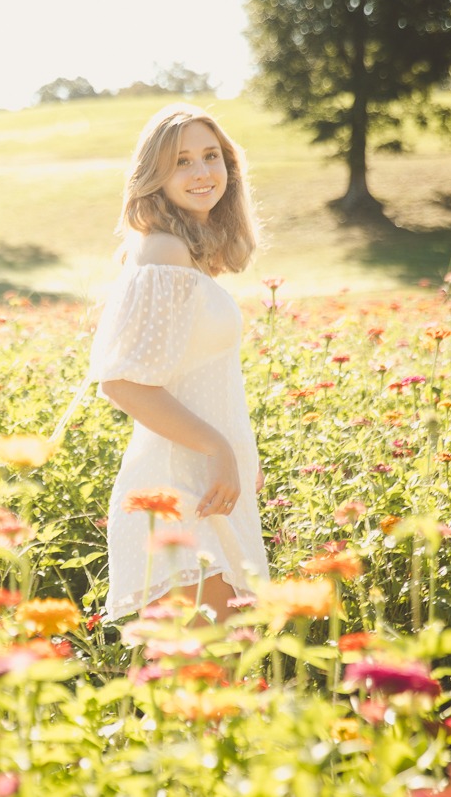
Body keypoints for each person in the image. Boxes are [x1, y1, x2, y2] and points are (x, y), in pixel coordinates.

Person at [89, 103, 269, 624]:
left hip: (209, 484)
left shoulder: (184, 255)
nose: (202, 172)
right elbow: (122, 381)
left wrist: (235, 454)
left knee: (223, 672)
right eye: (182, 162)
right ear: (155, 176)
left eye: (211, 156)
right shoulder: (162, 252)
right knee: (203, 680)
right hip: (178, 486)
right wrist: (217, 447)